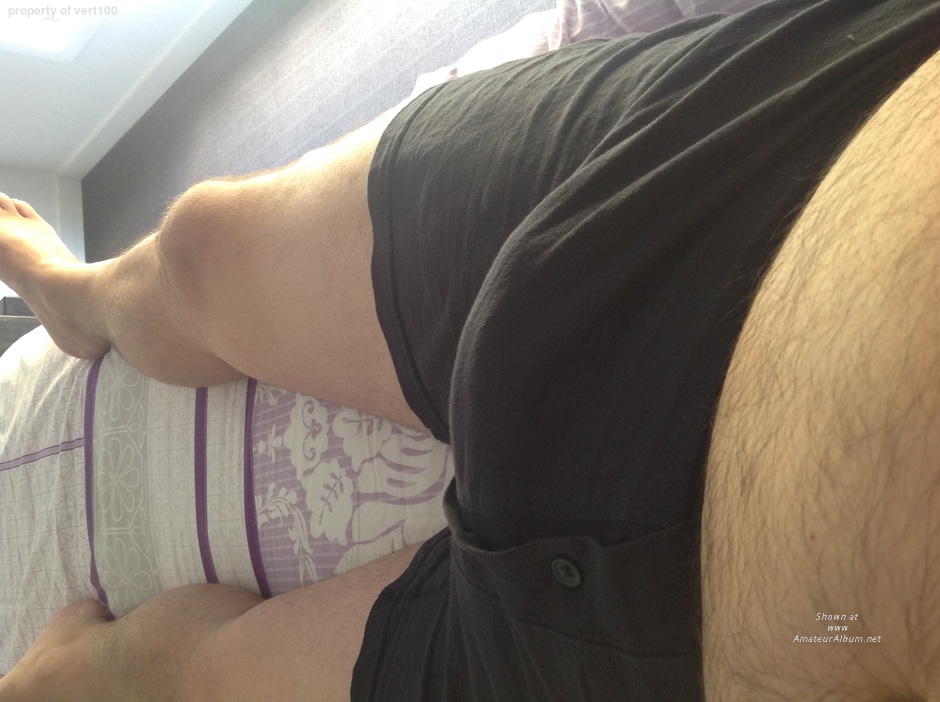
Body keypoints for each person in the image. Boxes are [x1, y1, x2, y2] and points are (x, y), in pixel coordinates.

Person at [1, 0, 939, 699]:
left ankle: (84, 684)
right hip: (703, 194)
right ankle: (81, 298)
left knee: (202, 681)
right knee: (207, 248)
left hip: (632, 666)